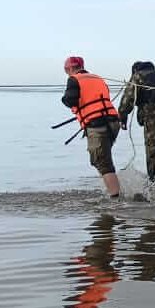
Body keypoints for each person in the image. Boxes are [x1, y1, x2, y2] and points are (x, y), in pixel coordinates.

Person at [61, 55, 141, 200]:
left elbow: (71, 100)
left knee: (102, 162)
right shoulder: (97, 78)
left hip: (97, 125)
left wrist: (65, 99)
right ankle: (117, 189)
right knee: (102, 160)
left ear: (71, 68)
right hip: (112, 122)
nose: (67, 73)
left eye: (66, 70)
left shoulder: (74, 80)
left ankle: (116, 199)